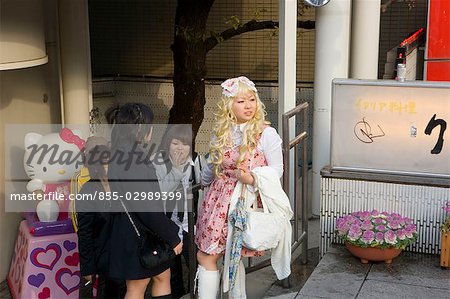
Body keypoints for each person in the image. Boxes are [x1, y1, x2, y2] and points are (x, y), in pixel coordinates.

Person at [195, 76, 283, 298]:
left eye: (251, 100)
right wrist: (202, 183)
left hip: (243, 201)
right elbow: (211, 166)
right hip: (217, 201)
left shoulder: (267, 133)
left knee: (220, 256)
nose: (248, 106)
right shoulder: (222, 132)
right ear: (229, 105)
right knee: (214, 255)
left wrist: (252, 179)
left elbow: (277, 171)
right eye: (241, 101)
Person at [106, 103, 183, 299]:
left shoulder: (121, 153)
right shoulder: (132, 158)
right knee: (138, 287)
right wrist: (172, 235)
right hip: (140, 234)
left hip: (132, 231)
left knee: (159, 277)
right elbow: (145, 206)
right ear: (139, 127)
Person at [152, 125, 203, 298]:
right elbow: (158, 192)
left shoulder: (196, 161)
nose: (180, 148)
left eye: (185, 143)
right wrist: (176, 168)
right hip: (165, 225)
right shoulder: (157, 162)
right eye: (175, 143)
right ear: (167, 144)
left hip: (189, 224)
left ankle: (195, 294)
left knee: (197, 265)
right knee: (171, 273)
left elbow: (204, 183)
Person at [76, 137, 127, 298]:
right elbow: (84, 233)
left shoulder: (122, 186)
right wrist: (87, 268)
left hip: (125, 253)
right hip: (103, 257)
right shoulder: (87, 191)